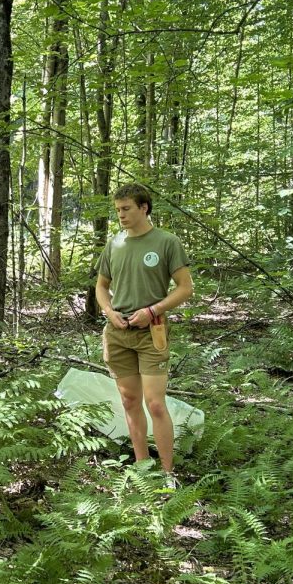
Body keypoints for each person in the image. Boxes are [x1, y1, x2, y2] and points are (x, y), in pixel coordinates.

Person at [95, 183, 193, 488]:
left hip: (152, 332)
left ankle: (167, 474)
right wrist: (110, 312)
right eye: (118, 210)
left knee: (155, 404)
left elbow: (185, 288)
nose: (121, 215)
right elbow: (101, 286)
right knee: (129, 400)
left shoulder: (166, 242)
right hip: (118, 332)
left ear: (143, 208)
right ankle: (141, 467)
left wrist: (151, 311)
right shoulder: (114, 244)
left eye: (126, 209)